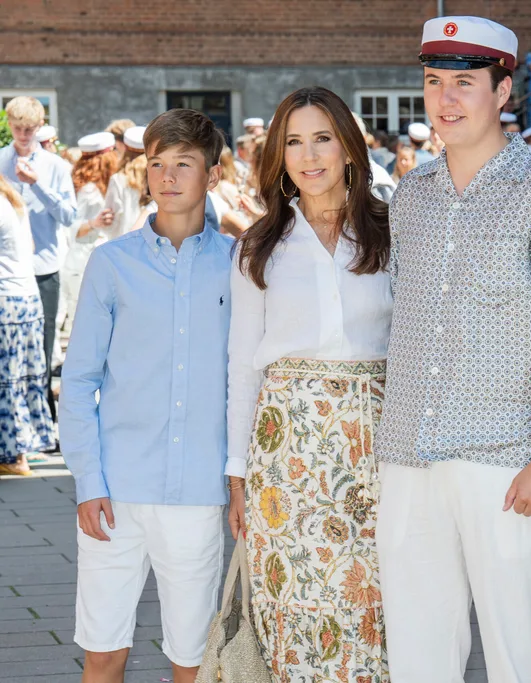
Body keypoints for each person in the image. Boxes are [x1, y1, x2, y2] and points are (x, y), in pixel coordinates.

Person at [376, 16, 531, 683]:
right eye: (433, 82)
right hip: (408, 459)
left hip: (507, 465)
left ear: (503, 91)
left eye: (464, 83)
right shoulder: (410, 198)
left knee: (519, 658)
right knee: (419, 659)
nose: (445, 99)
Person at [60, 108, 232, 683]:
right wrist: (88, 483)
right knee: (104, 653)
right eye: (157, 163)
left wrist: (240, 483)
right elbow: (79, 380)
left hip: (199, 492)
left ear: (211, 174)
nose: (168, 176)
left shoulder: (240, 267)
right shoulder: (111, 265)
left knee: (192, 659)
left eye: (185, 163)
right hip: (116, 492)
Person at [228, 86, 392, 682]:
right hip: (285, 453)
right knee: (294, 600)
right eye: (293, 141)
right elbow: (243, 365)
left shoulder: (392, 231)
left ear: (348, 147)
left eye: (322, 137)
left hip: (374, 448)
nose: (309, 154)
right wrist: (237, 472)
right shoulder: (259, 246)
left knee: (372, 605)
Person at [0, 96, 76, 423]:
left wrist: (38, 185)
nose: (22, 134)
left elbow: (70, 215)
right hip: (6, 270)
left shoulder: (55, 167)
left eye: (29, 128)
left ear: (40, 126)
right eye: (17, 128)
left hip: (44, 267)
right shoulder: (0, 160)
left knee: (43, 349)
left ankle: (42, 420)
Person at [0, 175, 55, 476]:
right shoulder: (11, 198)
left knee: (7, 379)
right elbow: (31, 245)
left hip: (6, 299)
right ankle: (26, 448)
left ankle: (14, 456)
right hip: (27, 297)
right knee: (23, 377)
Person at [62, 132, 117, 330]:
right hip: (82, 259)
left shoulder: (104, 186)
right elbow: (71, 227)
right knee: (84, 319)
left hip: (92, 258)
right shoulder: (89, 191)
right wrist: (95, 223)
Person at [104, 125, 148, 239]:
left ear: (125, 147)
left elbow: (111, 222)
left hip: (127, 244)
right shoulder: (159, 175)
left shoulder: (118, 179)